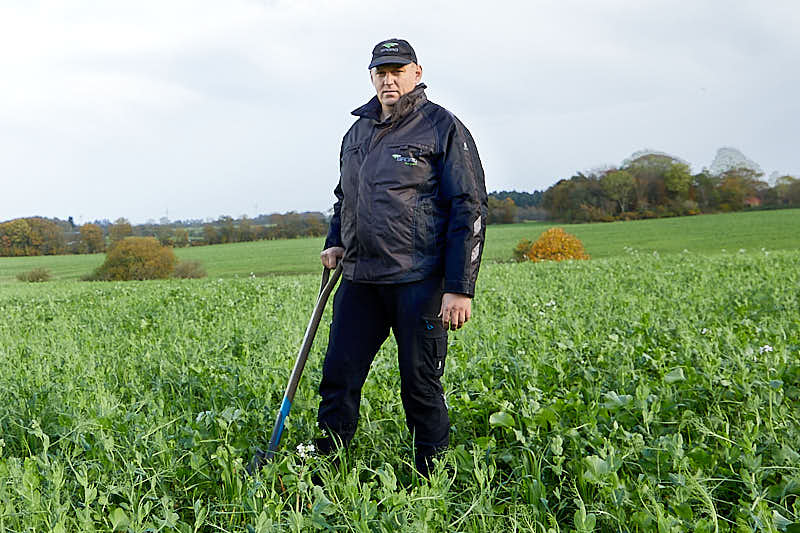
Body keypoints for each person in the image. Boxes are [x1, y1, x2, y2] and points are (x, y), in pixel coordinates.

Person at [316, 38, 487, 476]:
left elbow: (468, 206)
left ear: (417, 72)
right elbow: (345, 197)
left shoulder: (441, 127)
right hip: (361, 279)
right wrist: (336, 240)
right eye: (380, 72)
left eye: (397, 70)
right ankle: (329, 464)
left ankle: (431, 476)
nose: (388, 79)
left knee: (420, 383)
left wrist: (459, 288)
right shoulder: (357, 133)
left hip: (421, 281)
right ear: (371, 77)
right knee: (338, 376)